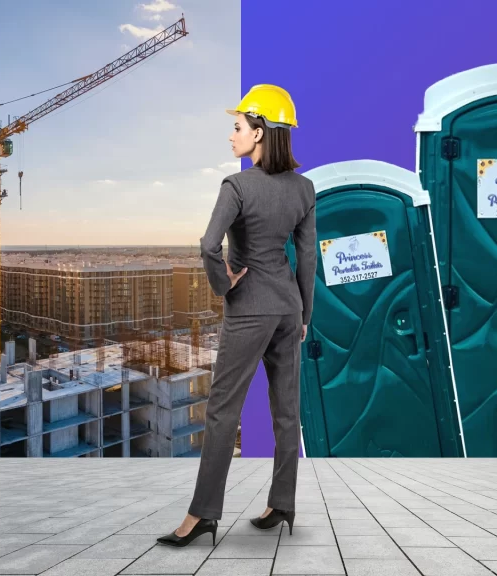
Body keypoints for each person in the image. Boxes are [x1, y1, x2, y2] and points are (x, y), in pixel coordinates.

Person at [157, 84, 317, 548]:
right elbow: (308, 258)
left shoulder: (238, 186)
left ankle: (202, 516)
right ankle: (282, 504)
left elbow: (208, 245)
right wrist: (305, 313)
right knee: (287, 411)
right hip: (289, 309)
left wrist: (224, 284)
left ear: (259, 132)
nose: (231, 136)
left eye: (238, 126)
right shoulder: (305, 189)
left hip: (248, 310)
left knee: (223, 411)